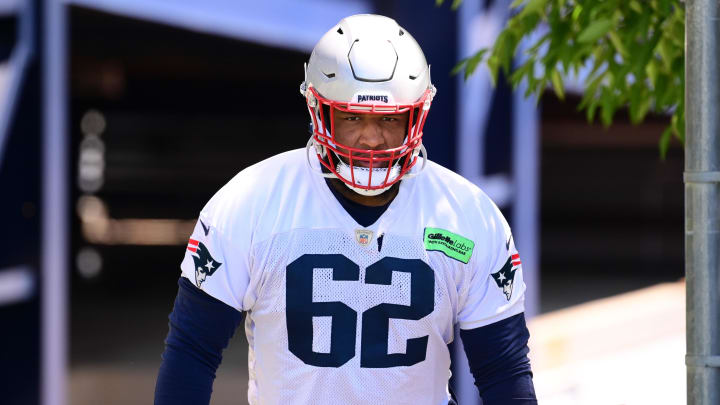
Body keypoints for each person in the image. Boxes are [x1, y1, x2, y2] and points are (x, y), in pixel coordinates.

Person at [155, 14, 536, 405]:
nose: (371, 137)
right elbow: (193, 351)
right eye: (352, 116)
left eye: (389, 118)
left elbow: (502, 371)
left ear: (415, 116)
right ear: (320, 110)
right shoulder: (250, 202)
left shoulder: (468, 216)